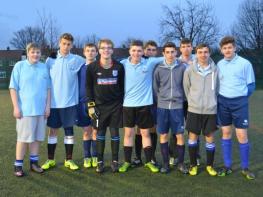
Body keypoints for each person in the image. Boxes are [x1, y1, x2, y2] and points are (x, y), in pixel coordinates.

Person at [41, 33, 85, 171]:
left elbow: (90, 59)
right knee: (52, 131)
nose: (66, 46)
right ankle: (50, 160)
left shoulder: (77, 59)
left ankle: (69, 160)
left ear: (72, 45)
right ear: (59, 43)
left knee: (69, 132)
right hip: (53, 104)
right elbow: (45, 80)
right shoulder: (50, 60)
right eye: (64, 43)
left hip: (70, 103)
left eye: (68, 44)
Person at [119, 40, 163, 173]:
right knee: (128, 133)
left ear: (143, 52)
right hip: (128, 105)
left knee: (145, 133)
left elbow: (169, 57)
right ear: (129, 51)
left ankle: (149, 161)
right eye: (134, 50)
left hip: (144, 105)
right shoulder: (123, 64)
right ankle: (127, 162)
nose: (136, 53)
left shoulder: (149, 63)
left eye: (139, 51)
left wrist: (192, 59)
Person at [217, 36, 256, 180]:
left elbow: (251, 85)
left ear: (235, 48)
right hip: (223, 103)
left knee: (242, 135)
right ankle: (227, 166)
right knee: (226, 133)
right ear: (221, 50)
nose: (227, 50)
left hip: (239, 104)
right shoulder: (219, 64)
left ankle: (245, 167)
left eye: (230, 47)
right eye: (225, 48)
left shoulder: (245, 63)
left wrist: (241, 96)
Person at [9, 43, 51, 177]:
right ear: (27, 53)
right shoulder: (19, 66)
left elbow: (48, 89)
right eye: (33, 52)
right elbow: (13, 88)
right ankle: (18, 165)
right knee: (23, 138)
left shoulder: (44, 67)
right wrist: (16, 107)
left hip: (41, 111)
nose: (35, 55)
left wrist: (47, 106)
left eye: (38, 52)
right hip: (25, 111)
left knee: (37, 139)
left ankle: (34, 163)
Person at [86, 39, 125, 173]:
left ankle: (115, 161)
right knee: (100, 133)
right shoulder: (92, 67)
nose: (106, 50)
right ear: (99, 50)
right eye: (103, 48)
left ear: (112, 50)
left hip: (115, 106)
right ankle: (100, 161)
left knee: (115, 133)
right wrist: (91, 105)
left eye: (109, 48)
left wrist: (120, 104)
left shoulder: (119, 67)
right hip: (99, 107)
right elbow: (88, 87)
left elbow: (122, 87)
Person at [183, 43, 218, 176]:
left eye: (205, 52)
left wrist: (212, 102)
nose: (203, 54)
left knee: (209, 137)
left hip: (210, 110)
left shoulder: (215, 70)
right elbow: (186, 88)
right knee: (193, 137)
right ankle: (193, 165)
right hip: (194, 109)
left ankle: (210, 166)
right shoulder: (189, 69)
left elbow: (217, 89)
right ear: (196, 53)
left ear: (209, 53)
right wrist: (193, 101)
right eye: (200, 52)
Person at [153, 42, 188, 174]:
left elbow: (186, 86)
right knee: (163, 135)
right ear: (163, 53)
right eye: (167, 52)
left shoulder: (182, 68)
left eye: (172, 52)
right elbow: (155, 88)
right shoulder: (159, 69)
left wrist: (181, 99)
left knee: (179, 135)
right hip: (162, 107)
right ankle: (166, 164)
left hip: (177, 107)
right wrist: (161, 100)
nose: (170, 54)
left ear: (176, 52)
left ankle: (180, 163)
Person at [169, 38, 201, 167]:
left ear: (192, 47)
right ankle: (174, 156)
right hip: (178, 100)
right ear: (180, 48)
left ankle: (196, 156)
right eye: (183, 46)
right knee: (176, 129)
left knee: (194, 129)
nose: (186, 48)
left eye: (188, 46)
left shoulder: (198, 61)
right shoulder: (176, 61)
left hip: (193, 100)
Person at [133, 40, 159, 167]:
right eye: (148, 49)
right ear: (144, 50)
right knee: (139, 131)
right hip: (141, 101)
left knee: (153, 129)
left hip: (155, 102)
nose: (151, 52)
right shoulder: (139, 63)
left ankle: (152, 156)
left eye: (154, 50)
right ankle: (138, 157)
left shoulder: (159, 63)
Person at [76, 43, 98, 169]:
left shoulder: (100, 67)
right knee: (86, 132)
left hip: (96, 105)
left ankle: (95, 156)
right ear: (84, 52)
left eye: (93, 50)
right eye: (88, 50)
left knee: (95, 131)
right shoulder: (80, 68)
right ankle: (86, 157)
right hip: (82, 104)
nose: (90, 53)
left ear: (96, 53)